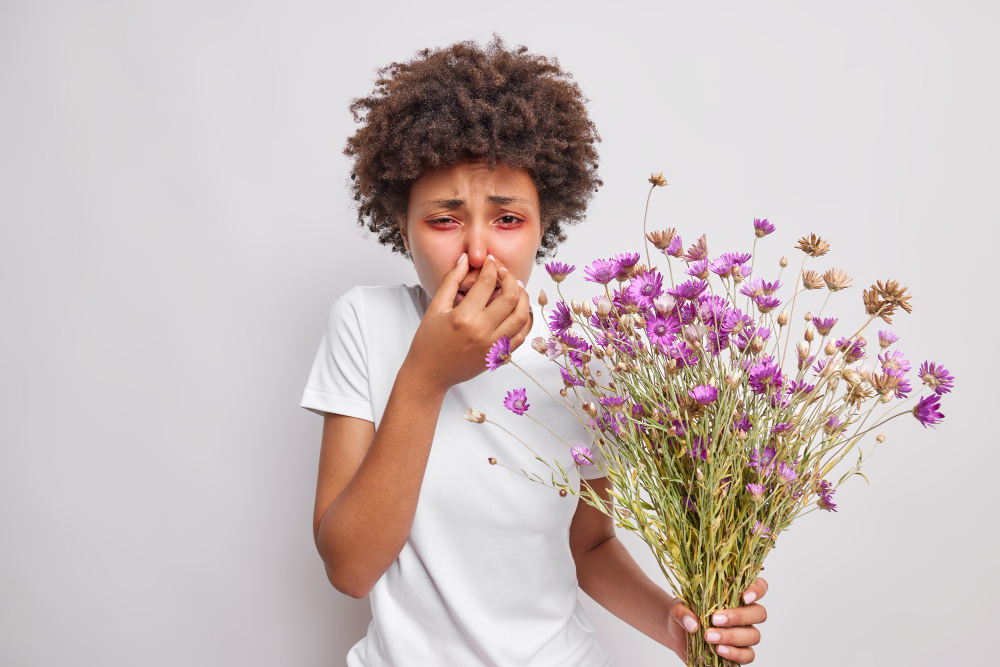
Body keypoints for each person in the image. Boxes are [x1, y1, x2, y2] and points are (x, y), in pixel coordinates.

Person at [301, 34, 769, 666]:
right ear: (400, 222)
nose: (476, 252)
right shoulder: (365, 321)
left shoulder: (591, 350)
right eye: (442, 220)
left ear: (546, 222)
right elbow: (350, 568)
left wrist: (675, 626)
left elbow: (590, 546)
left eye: (507, 219)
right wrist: (425, 374)